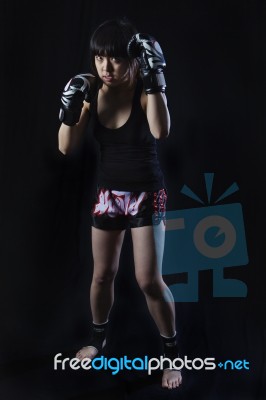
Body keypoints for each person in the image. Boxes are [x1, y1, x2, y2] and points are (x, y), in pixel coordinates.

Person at [58, 17, 182, 390]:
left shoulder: (145, 88)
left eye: (113, 60)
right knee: (101, 275)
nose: (105, 68)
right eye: (99, 59)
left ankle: (173, 355)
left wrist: (156, 78)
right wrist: (68, 109)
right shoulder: (91, 88)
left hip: (146, 193)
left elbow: (161, 131)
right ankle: (98, 340)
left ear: (132, 60)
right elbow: (66, 146)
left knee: (149, 281)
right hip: (108, 194)